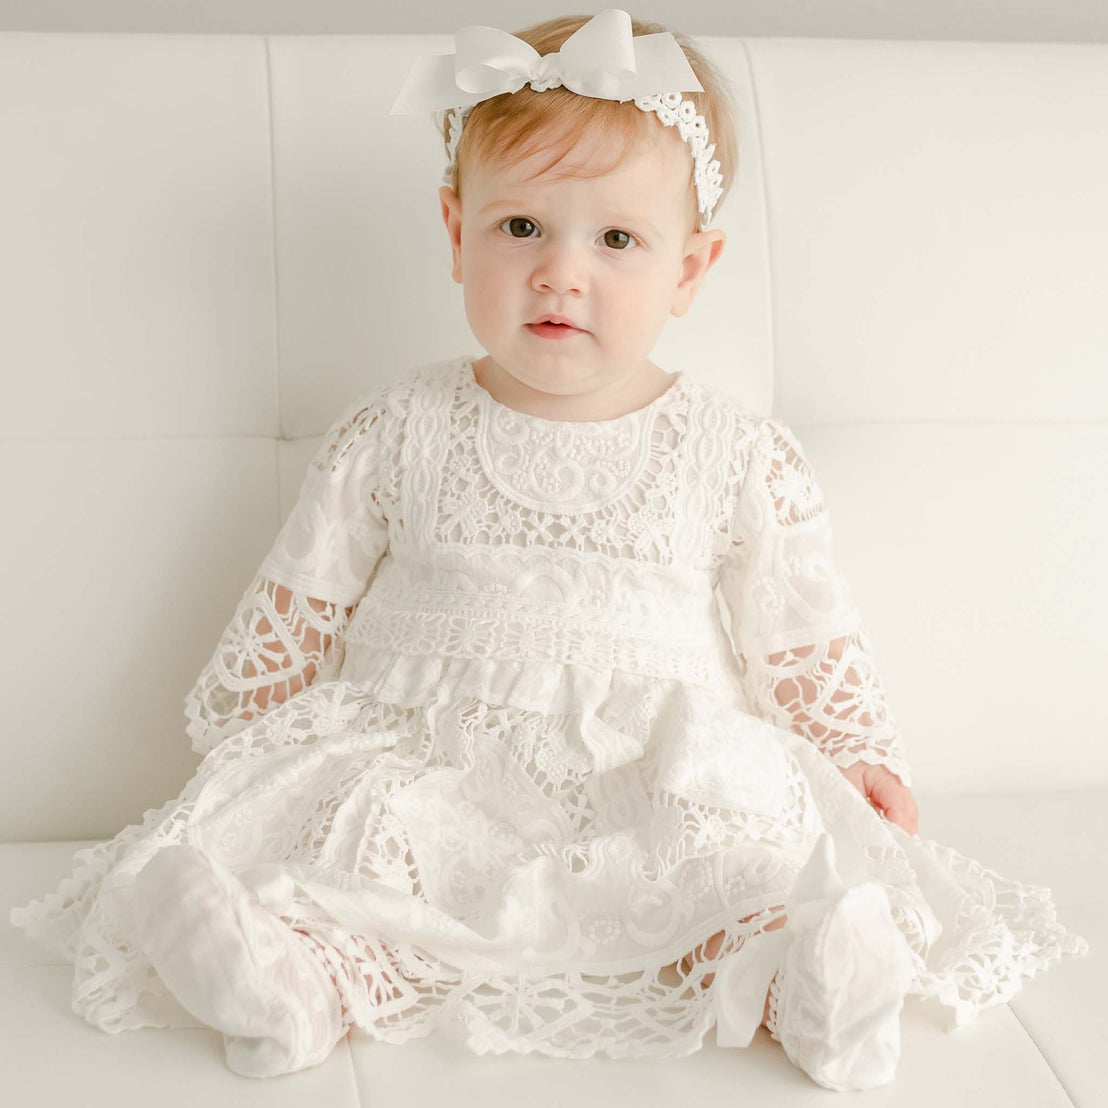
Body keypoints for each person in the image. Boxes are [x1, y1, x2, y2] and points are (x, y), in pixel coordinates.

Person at [9, 8, 1089, 1091]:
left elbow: (799, 626)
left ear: (691, 267)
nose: (559, 272)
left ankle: (802, 977)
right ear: (454, 230)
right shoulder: (395, 428)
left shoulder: (733, 450)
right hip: (425, 755)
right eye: (520, 227)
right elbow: (303, 598)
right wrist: (248, 745)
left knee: (730, 869)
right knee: (356, 868)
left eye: (615, 239)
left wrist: (858, 755)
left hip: (648, 768)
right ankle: (288, 984)